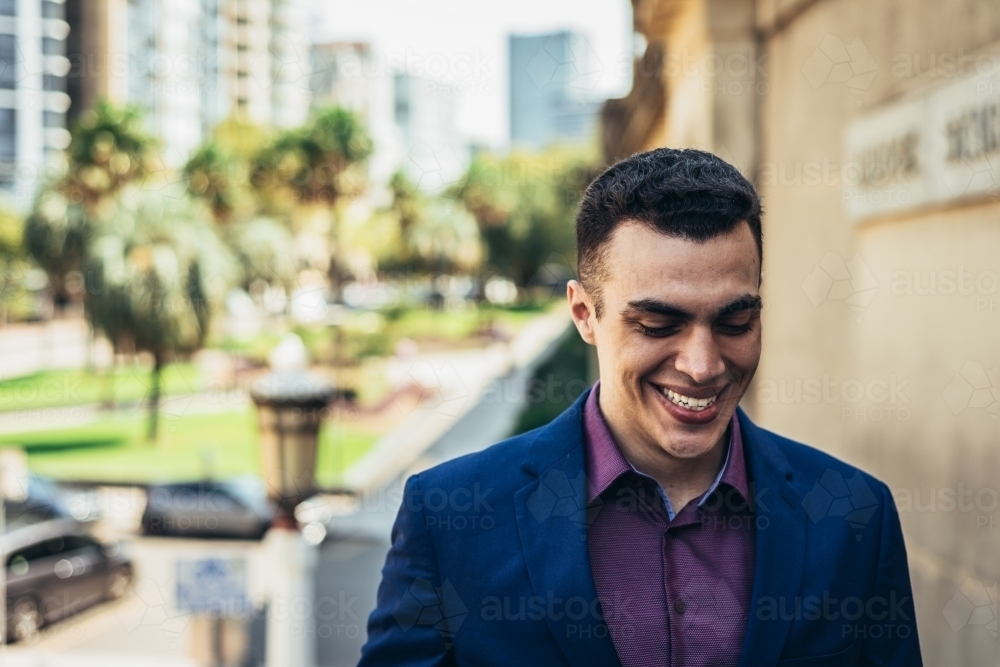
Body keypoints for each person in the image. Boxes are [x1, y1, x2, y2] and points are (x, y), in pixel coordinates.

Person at [359, 148, 922, 666]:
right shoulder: (449, 519)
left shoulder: (855, 518)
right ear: (584, 314)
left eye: (735, 322)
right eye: (658, 325)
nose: (702, 366)